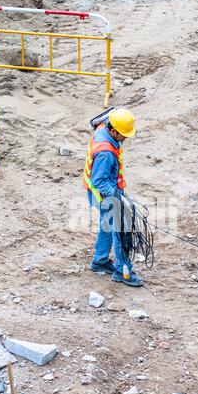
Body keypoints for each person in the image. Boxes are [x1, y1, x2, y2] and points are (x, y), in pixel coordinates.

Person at [83, 108, 144, 287]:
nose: (125, 138)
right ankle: (122, 271)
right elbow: (99, 180)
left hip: (98, 194)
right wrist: (117, 195)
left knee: (108, 226)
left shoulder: (102, 128)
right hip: (104, 195)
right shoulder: (106, 153)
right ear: (113, 130)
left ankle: (100, 261)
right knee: (121, 233)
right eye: (122, 135)